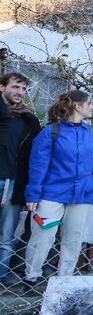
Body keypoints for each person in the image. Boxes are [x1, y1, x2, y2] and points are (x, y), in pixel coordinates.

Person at [23, 90, 93, 291]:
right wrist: (33, 194)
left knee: (74, 238)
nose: (92, 106)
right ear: (77, 107)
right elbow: (38, 165)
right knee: (43, 237)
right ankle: (31, 278)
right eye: (89, 103)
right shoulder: (51, 132)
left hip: (82, 196)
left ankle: (64, 281)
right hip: (51, 194)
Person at [0, 72, 41, 285]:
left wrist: (31, 188)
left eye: (24, 89)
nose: (20, 92)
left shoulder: (29, 120)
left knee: (6, 236)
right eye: (16, 87)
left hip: (15, 183)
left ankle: (1, 276)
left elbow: (35, 157)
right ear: (2, 87)